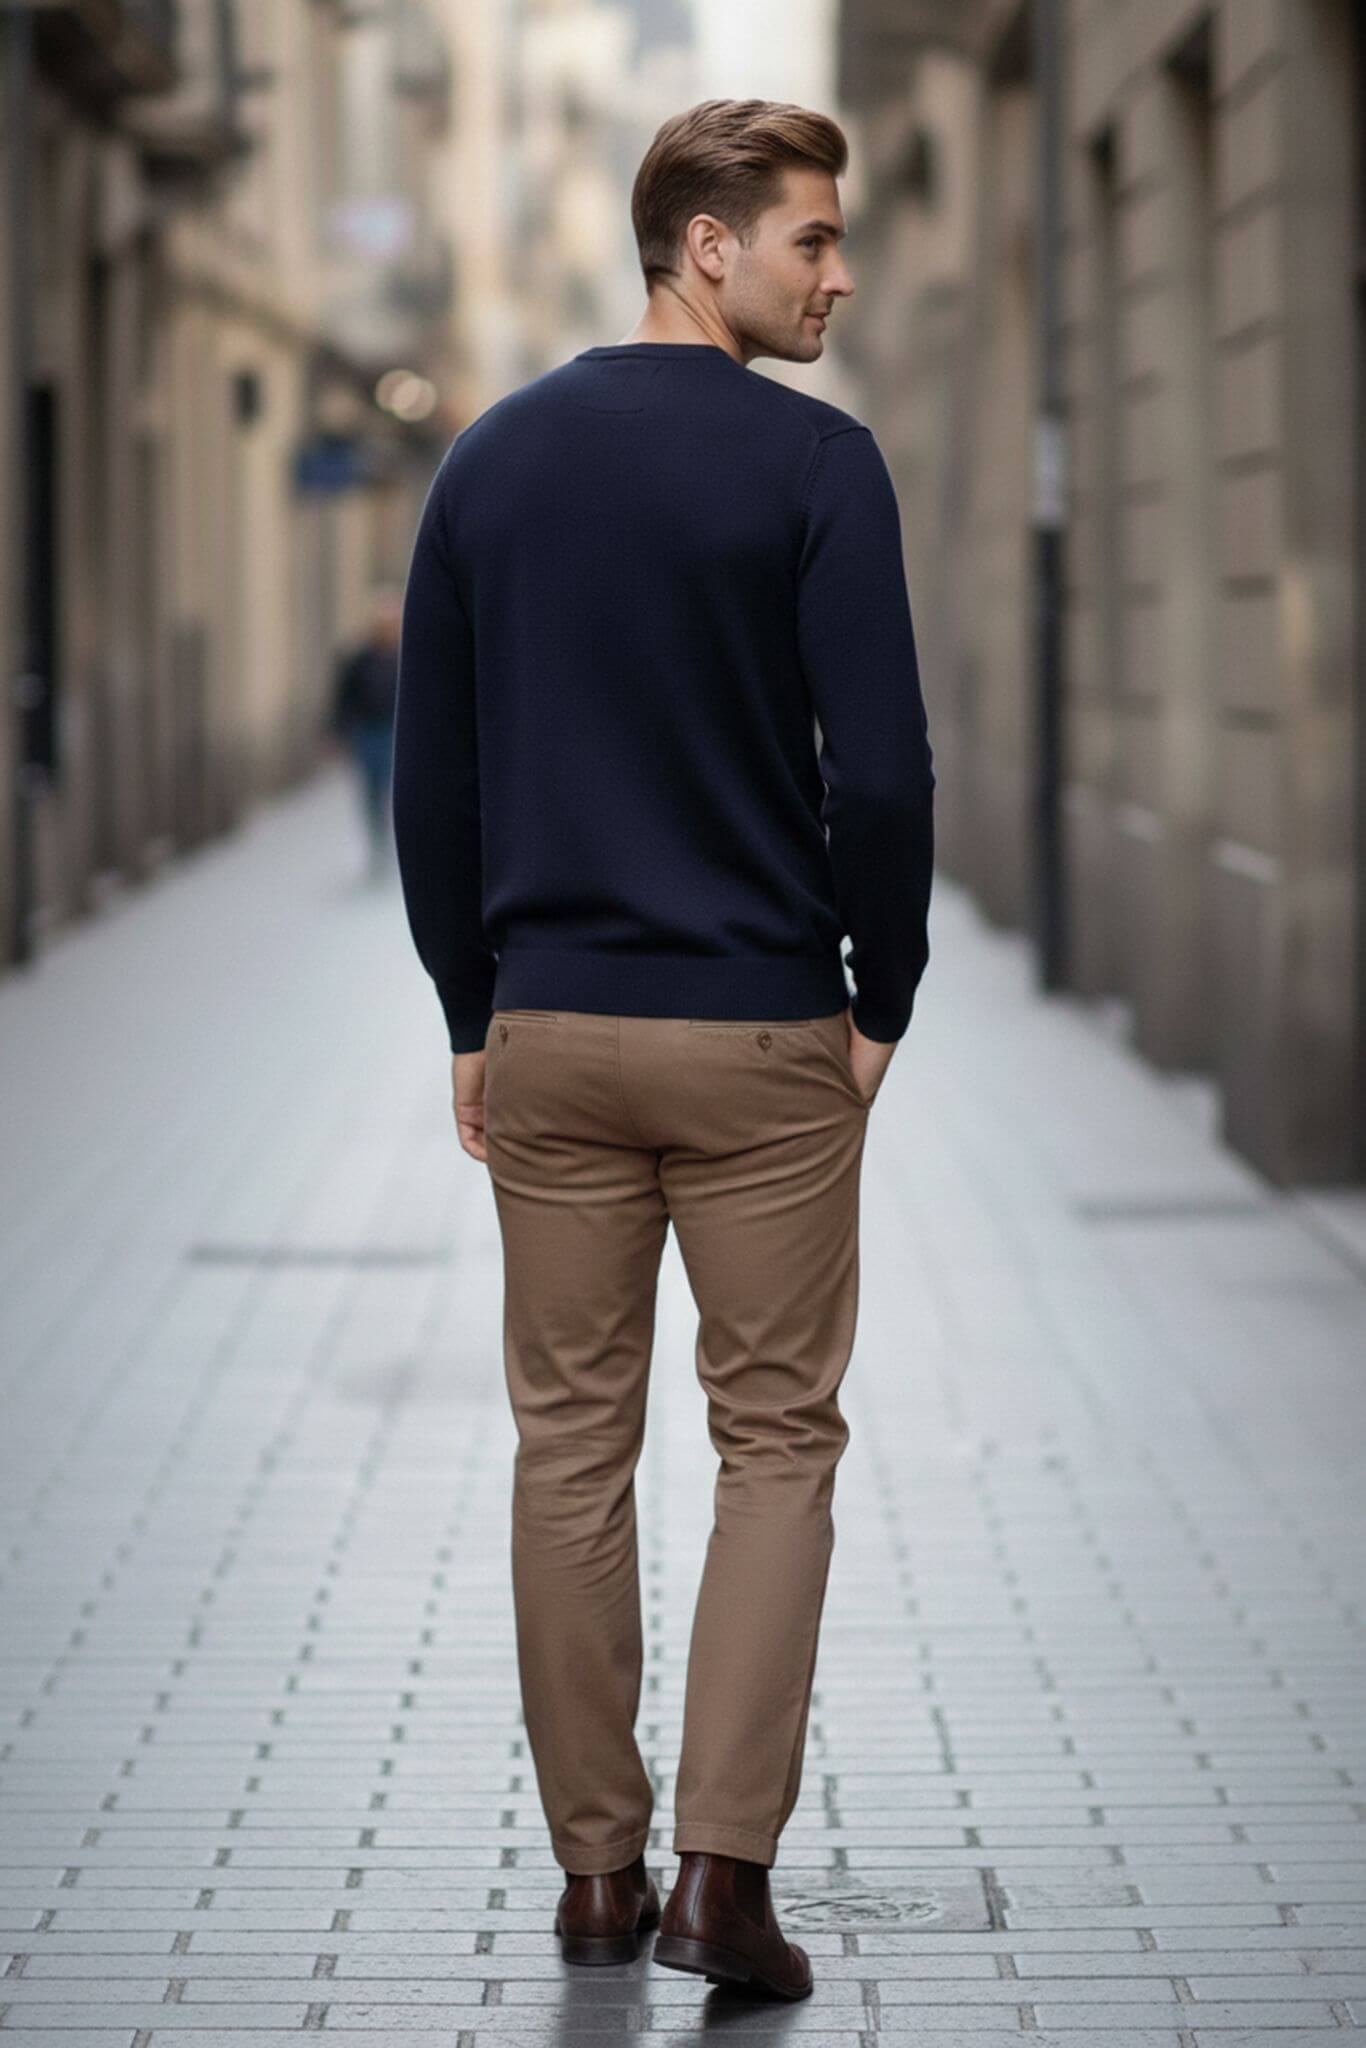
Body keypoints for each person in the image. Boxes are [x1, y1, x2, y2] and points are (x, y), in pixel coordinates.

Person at [392, 97, 934, 2002]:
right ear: (705, 246)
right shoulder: (818, 466)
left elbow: (434, 777)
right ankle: (724, 1878)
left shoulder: (491, 464)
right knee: (776, 1435)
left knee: (568, 1446)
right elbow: (879, 770)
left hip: (550, 1028)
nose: (836, 271)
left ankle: (597, 1880)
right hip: (763, 1030)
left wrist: (474, 1010)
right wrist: (885, 995)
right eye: (810, 239)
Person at [330, 585, 403, 877]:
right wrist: (339, 729)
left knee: (395, 794)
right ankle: (377, 846)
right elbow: (344, 697)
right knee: (371, 794)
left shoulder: (405, 658)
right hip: (369, 734)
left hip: (396, 736)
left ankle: (395, 848)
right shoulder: (360, 660)